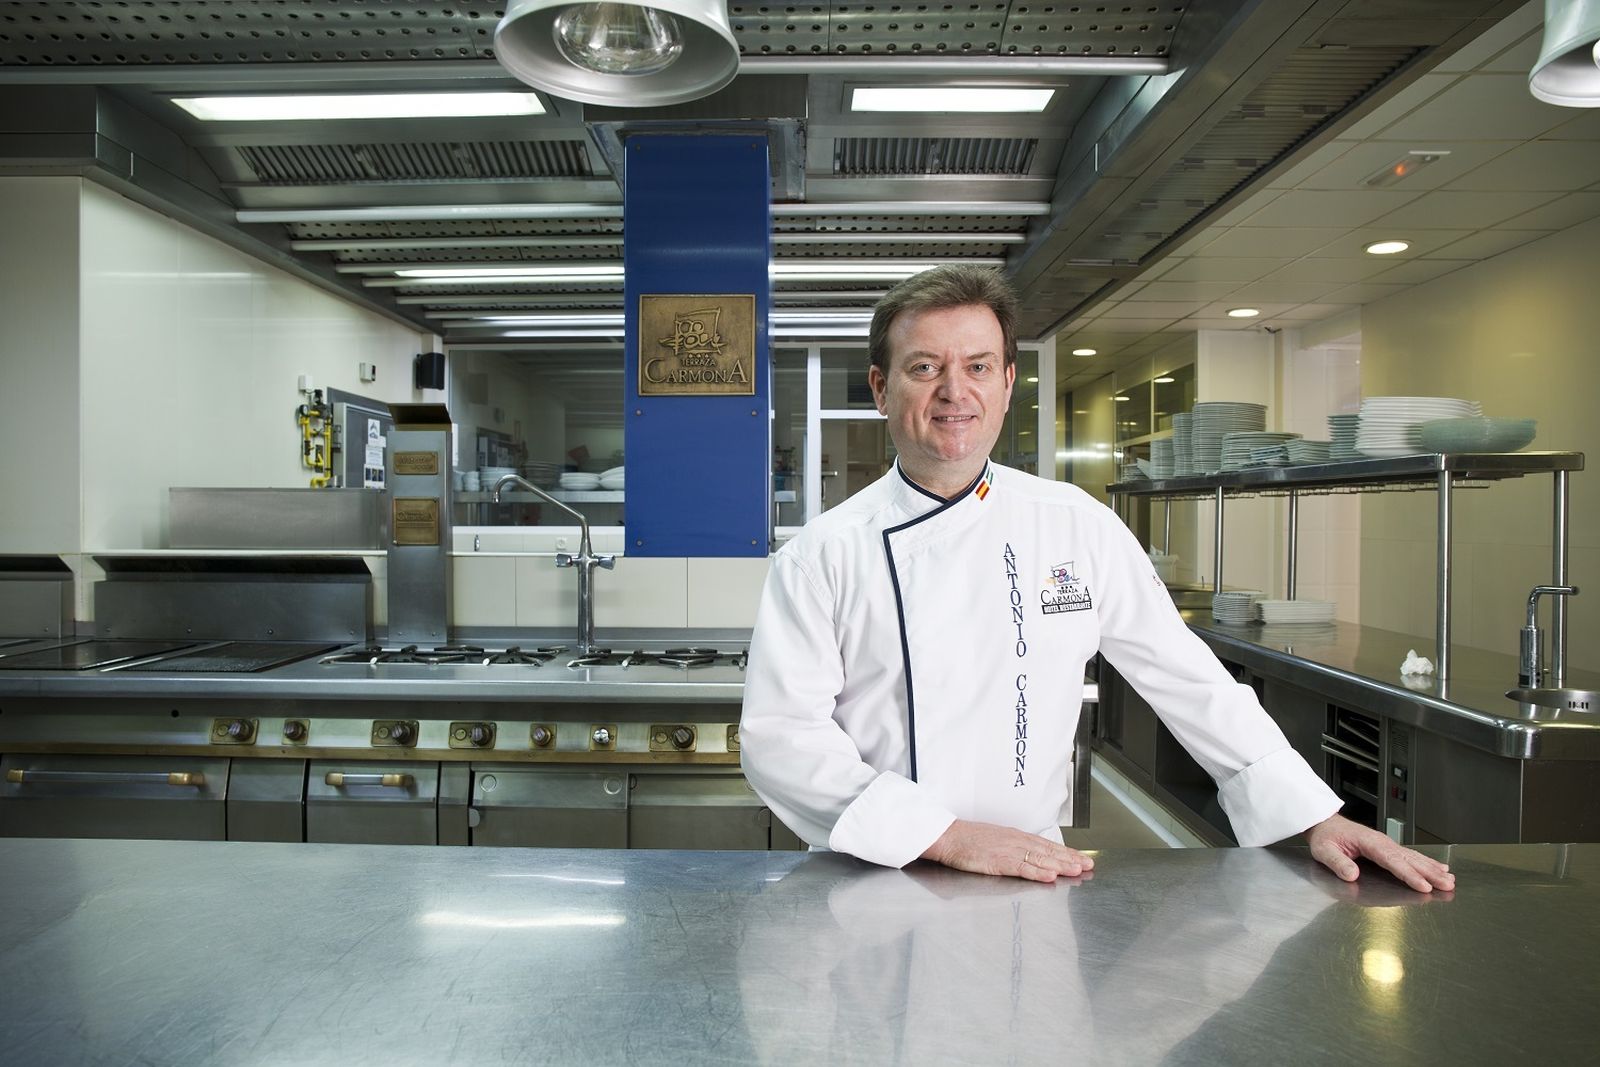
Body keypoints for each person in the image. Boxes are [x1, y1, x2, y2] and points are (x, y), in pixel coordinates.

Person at [739, 264, 1455, 892]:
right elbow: (781, 737)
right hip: (876, 873)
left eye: (979, 366)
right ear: (881, 387)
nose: (954, 391)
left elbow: (1188, 677)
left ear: (1008, 383)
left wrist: (1317, 816)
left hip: (1030, 875)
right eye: (924, 367)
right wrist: (945, 835)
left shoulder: (1073, 524)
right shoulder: (824, 553)